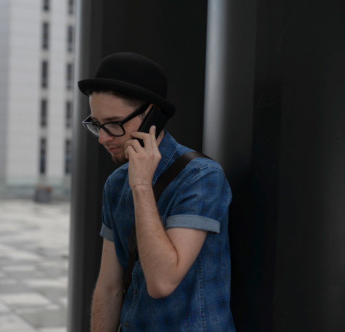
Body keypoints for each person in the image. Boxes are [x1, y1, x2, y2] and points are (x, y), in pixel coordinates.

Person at [78, 52, 236, 331]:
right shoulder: (116, 183)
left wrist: (141, 186)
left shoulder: (201, 177)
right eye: (97, 125)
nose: (103, 138)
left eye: (114, 124)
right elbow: (109, 287)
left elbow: (163, 281)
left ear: (152, 116)